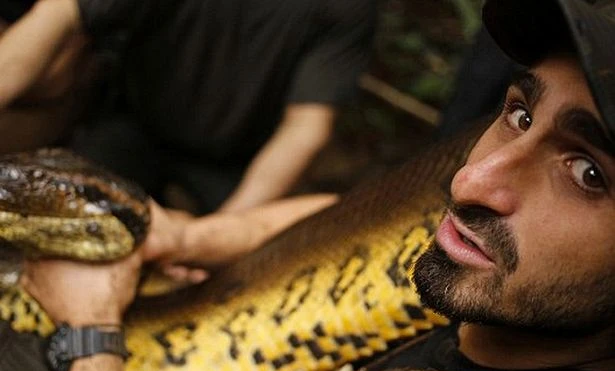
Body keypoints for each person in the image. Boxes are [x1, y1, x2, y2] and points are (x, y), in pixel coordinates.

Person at [2, 0, 615, 371]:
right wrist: (189, 238)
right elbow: (346, 212)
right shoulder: (493, 283)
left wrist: (88, 330)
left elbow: (307, 130)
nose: (468, 182)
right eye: (519, 114)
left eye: (589, 173)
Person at [0, 0, 377, 213]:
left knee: (234, 266)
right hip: (135, 123)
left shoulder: (344, 9)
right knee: (59, 210)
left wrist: (218, 231)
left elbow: (306, 126)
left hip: (235, 158)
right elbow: (59, 13)